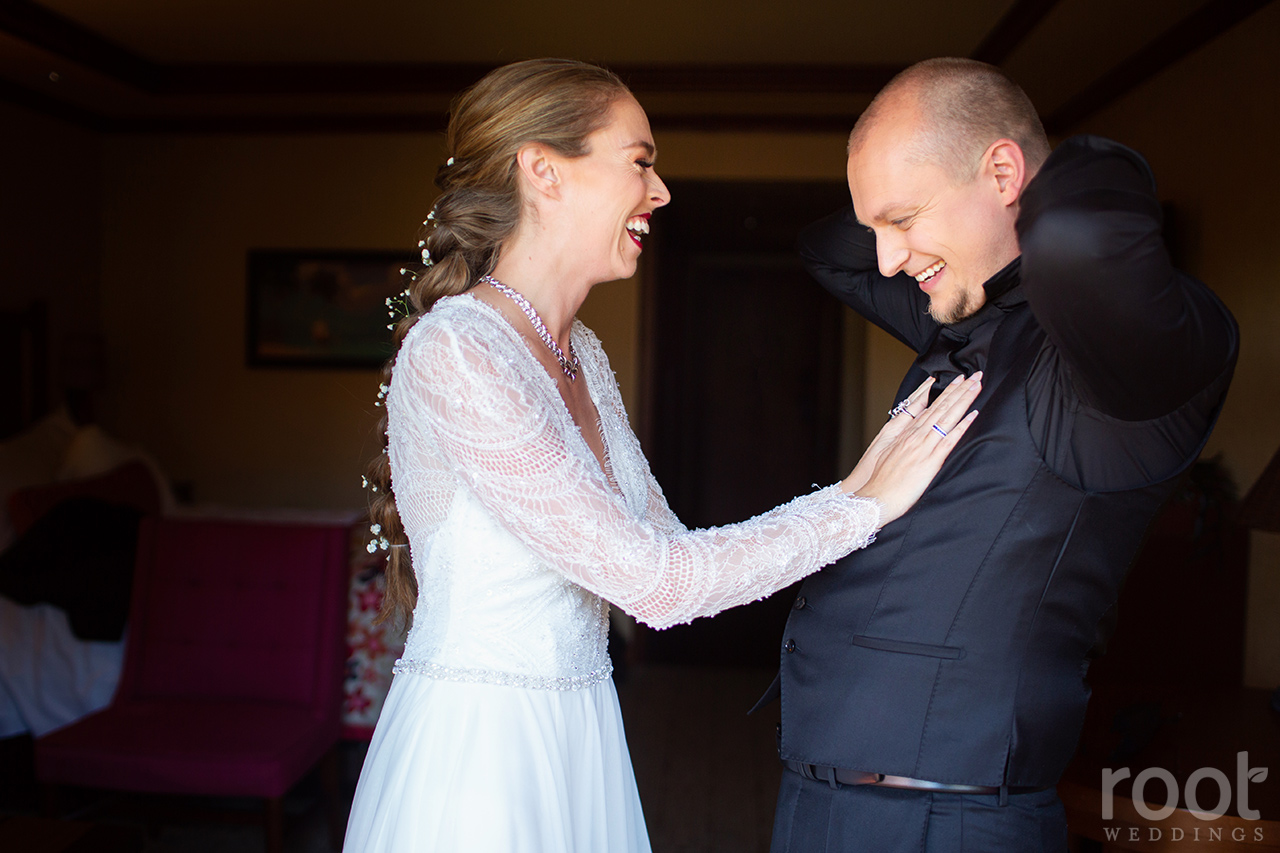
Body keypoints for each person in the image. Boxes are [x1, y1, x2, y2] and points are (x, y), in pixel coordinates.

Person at [342, 59, 981, 852]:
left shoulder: (584, 354)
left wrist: (859, 490)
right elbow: (657, 584)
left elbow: (669, 552)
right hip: (480, 753)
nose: (661, 191)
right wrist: (861, 502)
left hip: (582, 733)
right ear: (543, 171)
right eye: (639, 161)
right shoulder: (458, 351)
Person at [755, 57, 1239, 852]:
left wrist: (1011, 194)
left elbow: (1084, 228)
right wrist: (911, 221)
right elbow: (828, 251)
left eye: (904, 218)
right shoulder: (963, 314)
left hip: (947, 823)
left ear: (1006, 171)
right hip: (825, 802)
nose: (885, 260)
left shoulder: (1135, 367)